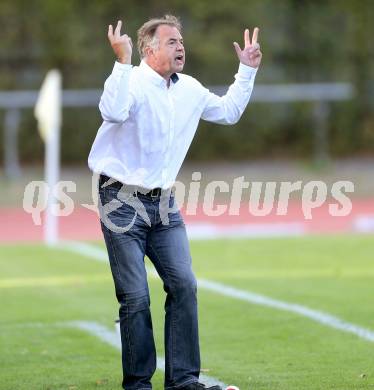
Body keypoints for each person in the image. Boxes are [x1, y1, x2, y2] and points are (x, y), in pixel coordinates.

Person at [88, 14, 262, 390]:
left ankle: (183, 381)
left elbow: (228, 112)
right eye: (170, 41)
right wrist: (121, 62)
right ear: (148, 50)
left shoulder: (190, 89)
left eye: (180, 41)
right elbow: (112, 112)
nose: (180, 46)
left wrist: (246, 70)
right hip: (119, 200)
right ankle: (138, 384)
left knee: (184, 285)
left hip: (164, 204)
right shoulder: (131, 80)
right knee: (135, 297)